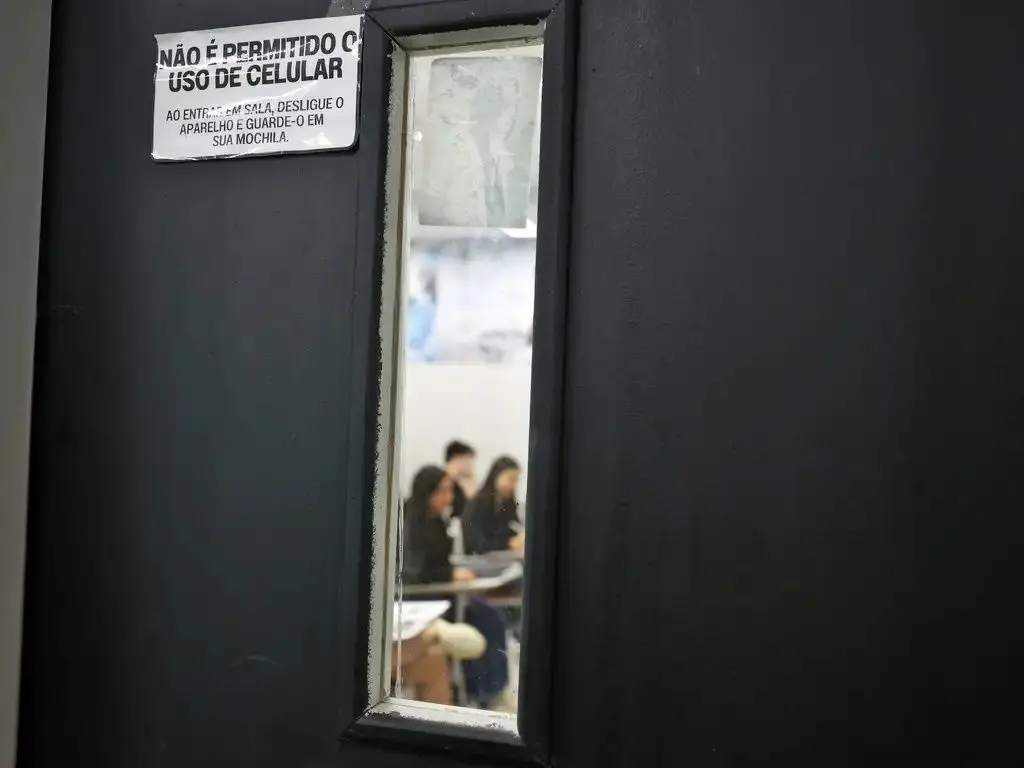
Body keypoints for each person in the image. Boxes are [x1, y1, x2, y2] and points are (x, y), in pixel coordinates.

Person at [401, 466, 513, 709]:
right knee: (484, 619)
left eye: (450, 490)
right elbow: (413, 574)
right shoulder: (411, 523)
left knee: (492, 617)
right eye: (442, 491)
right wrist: (451, 574)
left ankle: (491, 691)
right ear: (427, 492)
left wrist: (454, 572)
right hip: (424, 602)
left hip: (445, 595)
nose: (449, 497)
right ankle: (482, 692)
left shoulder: (437, 521)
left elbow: (440, 561)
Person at [462, 456, 526, 555]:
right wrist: (509, 543)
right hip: (479, 559)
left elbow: (512, 531)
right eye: (510, 479)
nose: (514, 485)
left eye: (516, 480)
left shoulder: (508, 504)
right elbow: (475, 544)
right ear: (496, 476)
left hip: (502, 558)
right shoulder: (476, 505)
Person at [444, 440, 477, 519]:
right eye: (468, 459)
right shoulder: (444, 486)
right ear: (457, 459)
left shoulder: (459, 485)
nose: (471, 465)